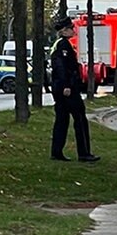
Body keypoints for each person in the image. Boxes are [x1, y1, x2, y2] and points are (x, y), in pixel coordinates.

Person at [48, 16, 98, 163]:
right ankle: (84, 153)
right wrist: (67, 86)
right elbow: (62, 68)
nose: (73, 30)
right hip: (66, 89)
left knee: (62, 120)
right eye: (71, 28)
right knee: (80, 119)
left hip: (61, 87)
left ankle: (57, 152)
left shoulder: (60, 44)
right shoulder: (63, 45)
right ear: (64, 31)